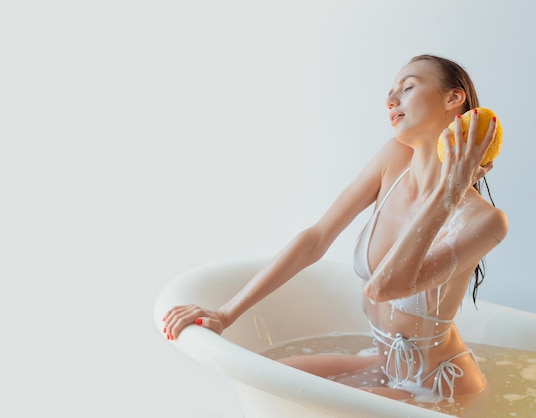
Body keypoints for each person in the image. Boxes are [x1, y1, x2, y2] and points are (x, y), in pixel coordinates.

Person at [162, 54, 508, 403]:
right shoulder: (393, 159)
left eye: (408, 87)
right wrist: (225, 314)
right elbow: (316, 238)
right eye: (390, 93)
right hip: (388, 369)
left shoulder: (485, 221)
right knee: (265, 385)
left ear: (453, 99)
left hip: (440, 391)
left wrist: (450, 191)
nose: (391, 101)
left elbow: (384, 287)